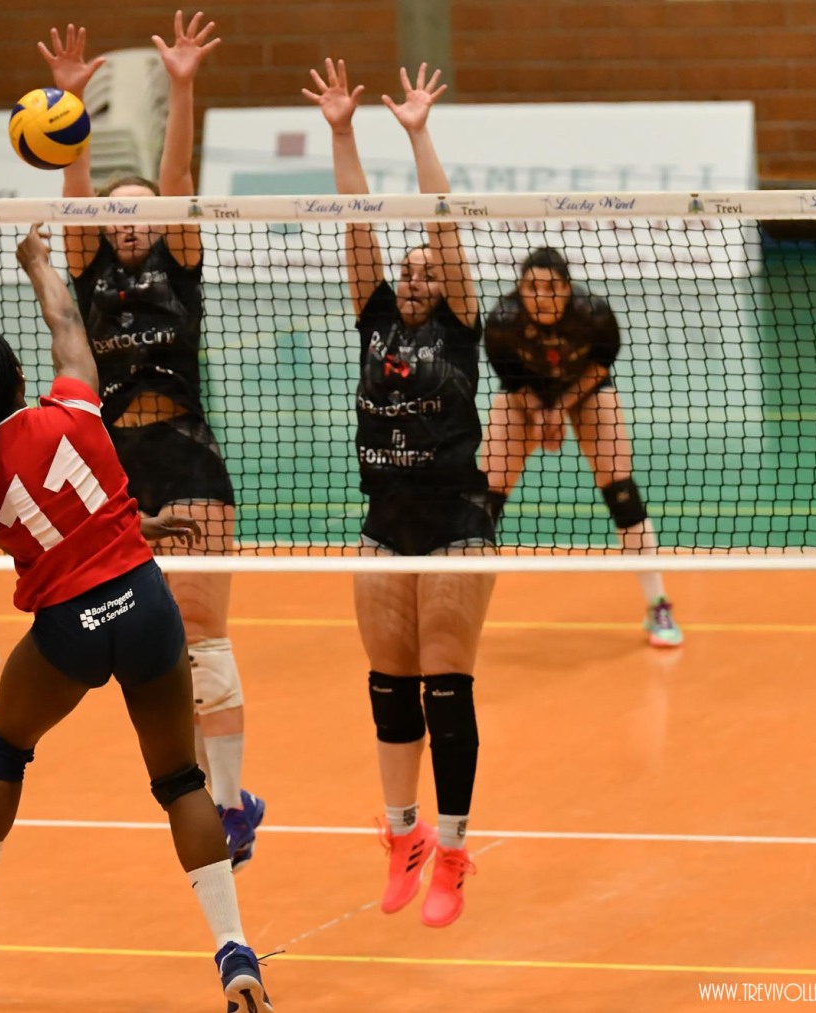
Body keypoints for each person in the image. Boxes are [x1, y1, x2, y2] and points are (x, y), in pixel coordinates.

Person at [0, 225, 272, 1010]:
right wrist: (37, 261)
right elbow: (67, 322)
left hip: (71, 629)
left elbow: (49, 526)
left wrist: (131, 524)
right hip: (147, 604)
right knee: (179, 779)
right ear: (19, 378)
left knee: (4, 746)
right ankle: (234, 949)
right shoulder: (72, 405)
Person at [37, 13, 265, 868]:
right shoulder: (90, 267)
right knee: (159, 643)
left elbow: (178, 176)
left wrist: (181, 83)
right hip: (115, 470)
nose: (128, 220)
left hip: (188, 454)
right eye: (115, 212)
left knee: (204, 631)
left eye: (141, 211)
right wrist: (67, 103)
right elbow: (75, 190)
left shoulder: (181, 262)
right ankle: (204, 786)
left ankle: (233, 805)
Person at [303, 59, 490, 927]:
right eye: (405, 270)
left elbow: (442, 223)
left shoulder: (460, 328)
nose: (414, 277)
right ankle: (403, 834)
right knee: (388, 686)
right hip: (383, 526)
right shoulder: (375, 318)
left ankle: (452, 851)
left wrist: (418, 135)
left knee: (446, 687)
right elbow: (357, 225)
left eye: (426, 270)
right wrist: (343, 133)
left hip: (456, 527)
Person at [482, 247, 684, 647]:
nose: (541, 297)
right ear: (519, 289)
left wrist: (560, 409)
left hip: (583, 390)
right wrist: (540, 413)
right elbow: (511, 378)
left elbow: (598, 367)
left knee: (619, 486)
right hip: (525, 395)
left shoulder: (594, 314)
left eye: (551, 288)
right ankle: (460, 606)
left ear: (567, 288)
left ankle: (657, 604)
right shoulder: (502, 321)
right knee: (486, 493)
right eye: (531, 287)